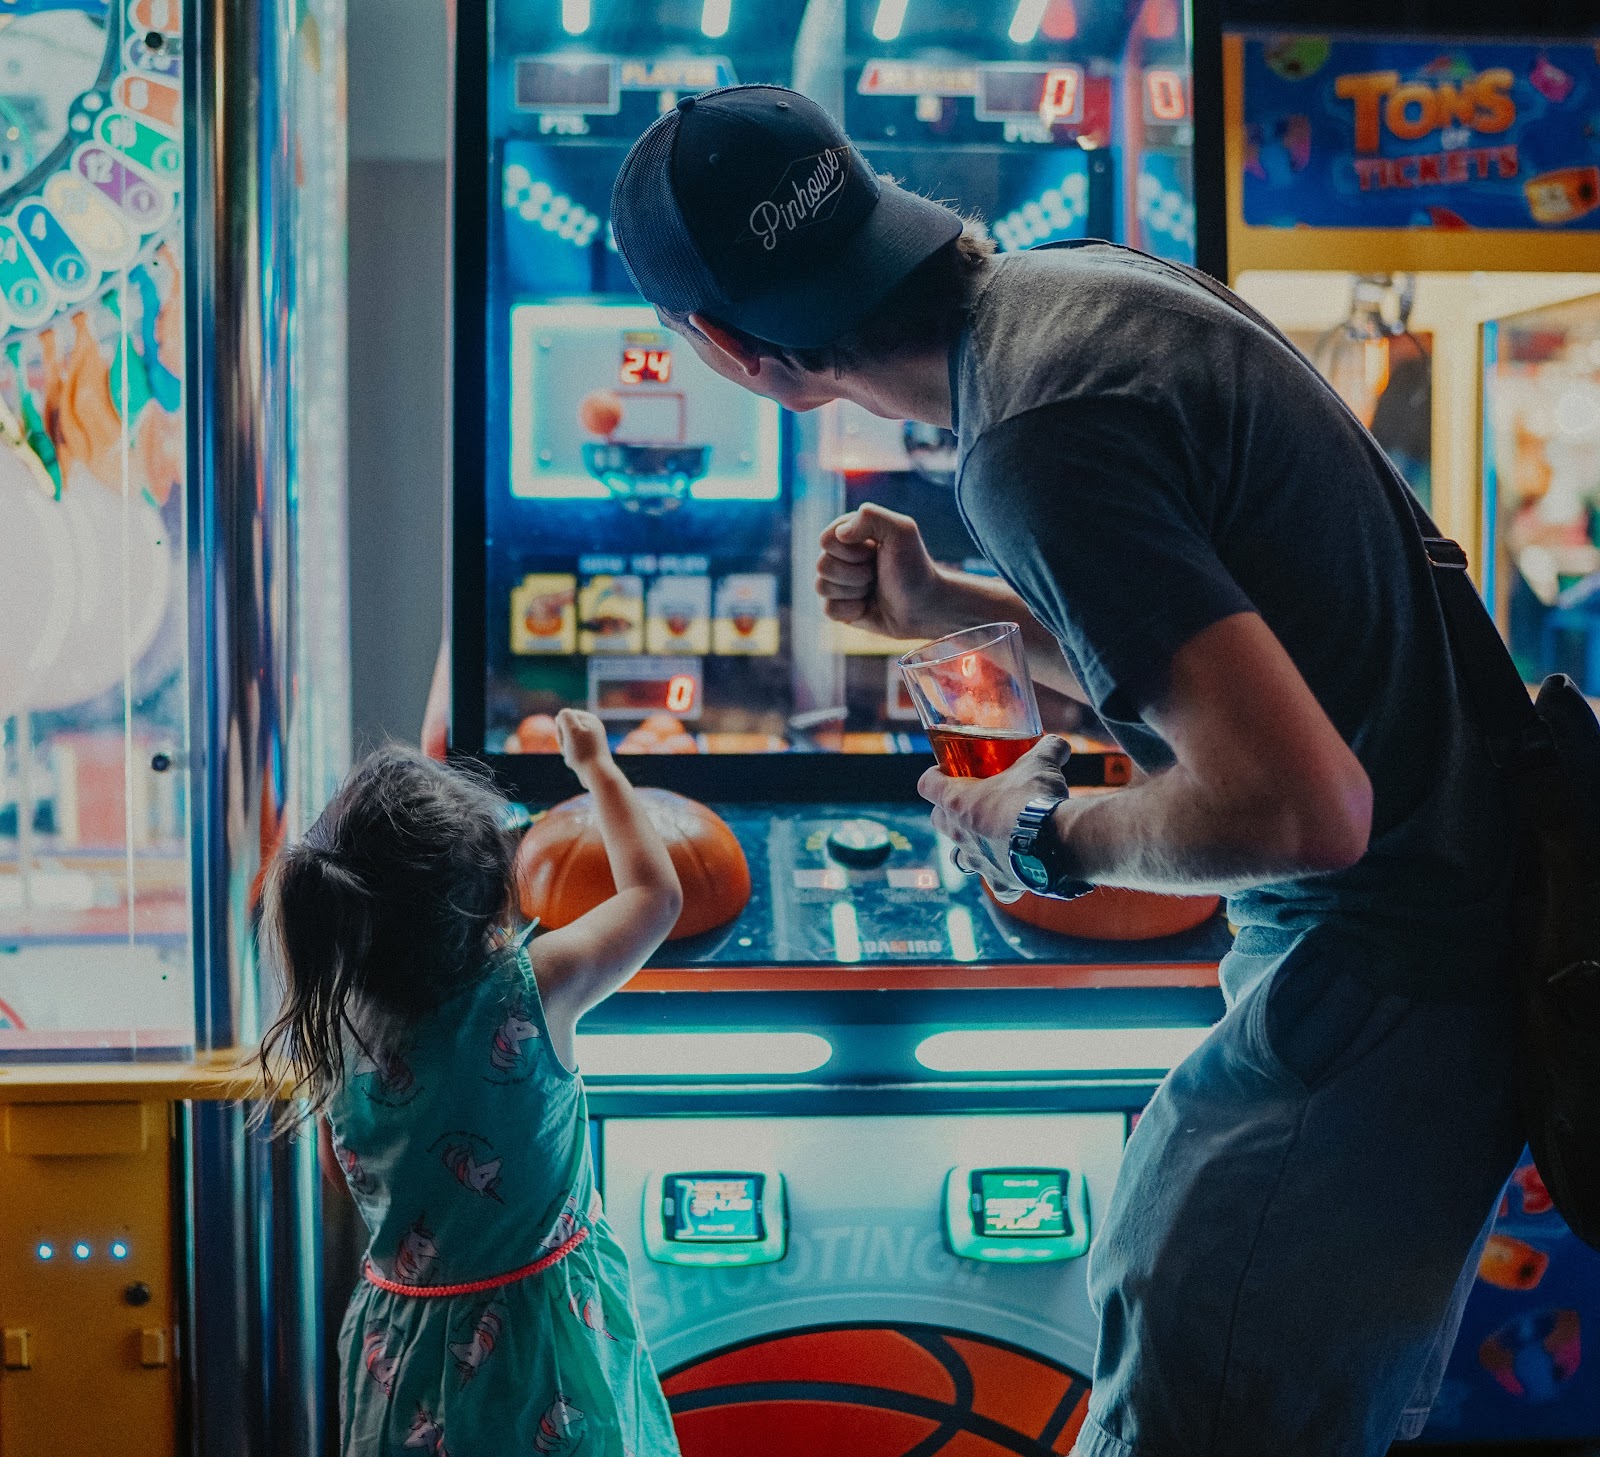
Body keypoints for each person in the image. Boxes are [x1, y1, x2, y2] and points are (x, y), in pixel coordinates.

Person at [605, 86, 1524, 1457]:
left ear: (735, 353)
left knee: (1198, 1386)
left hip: (1372, 986)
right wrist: (943, 605)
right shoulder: (1078, 296)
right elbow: (1226, 657)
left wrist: (1042, 828)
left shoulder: (1032, 433)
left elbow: (1303, 808)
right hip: (1423, 973)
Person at [258, 717, 683, 1457]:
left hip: (402, 1347)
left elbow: (342, 1173)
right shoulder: (534, 987)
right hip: (539, 1347)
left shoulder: (335, 1019)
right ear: (485, 894)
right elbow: (655, 895)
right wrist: (598, 768)